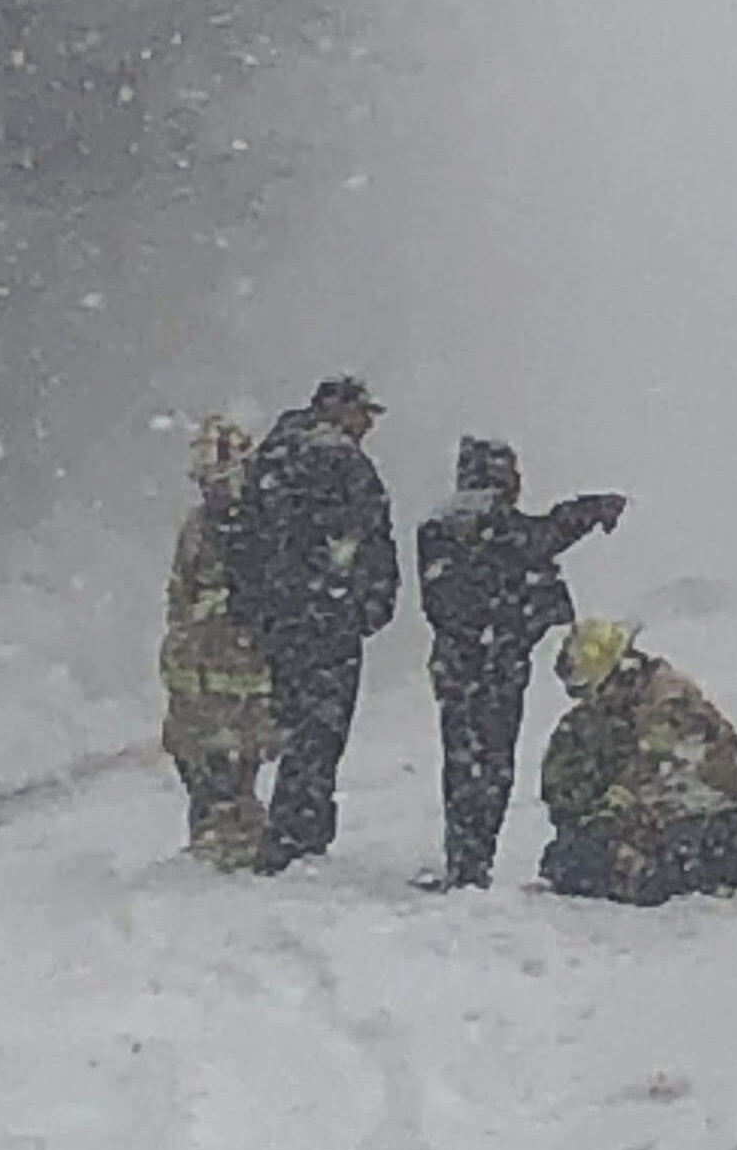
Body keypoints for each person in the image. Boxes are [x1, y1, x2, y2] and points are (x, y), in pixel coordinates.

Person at [417, 436, 626, 888]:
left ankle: (463, 859)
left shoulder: (437, 528)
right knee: (492, 764)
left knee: (462, 761)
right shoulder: (496, 525)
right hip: (496, 664)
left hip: (458, 664)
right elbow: (541, 537)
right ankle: (474, 862)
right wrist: (590, 511)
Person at [228, 374, 399, 873]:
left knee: (288, 720)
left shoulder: (271, 455)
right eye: (363, 412)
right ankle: (297, 834)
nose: (368, 424)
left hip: (280, 620)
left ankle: (269, 825)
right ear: (340, 410)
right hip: (328, 619)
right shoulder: (343, 461)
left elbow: (243, 538)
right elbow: (370, 536)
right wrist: (370, 604)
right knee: (320, 730)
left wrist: (254, 608)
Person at [539, 617, 737, 904]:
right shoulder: (608, 712)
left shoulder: (665, 703)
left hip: (689, 822)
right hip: (672, 822)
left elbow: (663, 772)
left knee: (579, 862)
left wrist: (617, 812)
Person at [158, 416, 279, 869]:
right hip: (197, 668)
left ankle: (241, 831)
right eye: (207, 481)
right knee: (193, 753)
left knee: (242, 754)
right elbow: (179, 589)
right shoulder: (196, 527)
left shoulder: (262, 525)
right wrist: (180, 641)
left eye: (222, 479)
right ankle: (212, 829)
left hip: (246, 664)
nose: (214, 489)